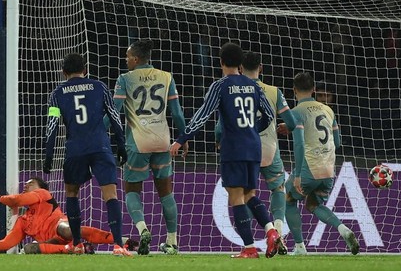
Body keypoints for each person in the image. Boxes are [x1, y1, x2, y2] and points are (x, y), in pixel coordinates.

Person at [170, 42, 281, 259]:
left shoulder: (220, 86)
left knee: (236, 196)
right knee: (250, 194)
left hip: (234, 147)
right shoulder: (254, 86)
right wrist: (252, 129)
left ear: (220, 62)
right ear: (240, 64)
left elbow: (202, 116)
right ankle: (271, 230)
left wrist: (181, 139)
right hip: (253, 146)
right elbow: (269, 115)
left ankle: (249, 248)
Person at [104, 39, 188, 255]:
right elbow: (177, 113)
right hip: (162, 141)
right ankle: (172, 242)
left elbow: (115, 110)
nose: (125, 60)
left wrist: (99, 131)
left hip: (137, 142)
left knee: (132, 190)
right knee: (166, 192)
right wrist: (184, 137)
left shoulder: (125, 79)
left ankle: (143, 230)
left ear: (136, 58)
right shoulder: (166, 76)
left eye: (127, 57)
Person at [42, 53, 131, 256]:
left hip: (75, 150)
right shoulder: (99, 87)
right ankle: (118, 245)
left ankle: (77, 243)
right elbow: (115, 117)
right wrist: (121, 146)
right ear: (85, 70)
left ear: (64, 73)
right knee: (110, 194)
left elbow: (52, 126)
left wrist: (48, 156)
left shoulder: (57, 93)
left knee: (72, 193)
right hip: (100, 147)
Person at [215, 51, 299, 255]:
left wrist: (220, 142)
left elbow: (220, 126)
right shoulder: (273, 91)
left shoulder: (231, 87)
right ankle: (276, 230)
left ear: (241, 68)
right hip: (268, 149)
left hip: (240, 146)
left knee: (239, 195)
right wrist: (284, 128)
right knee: (277, 189)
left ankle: (251, 243)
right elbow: (291, 123)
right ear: (261, 68)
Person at [281, 72, 359, 255]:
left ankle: (300, 246)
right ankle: (343, 229)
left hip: (309, 167)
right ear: (314, 89)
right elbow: (338, 143)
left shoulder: (295, 112)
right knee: (313, 205)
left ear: (294, 91)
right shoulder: (328, 110)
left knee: (288, 201)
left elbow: (299, 144)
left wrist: (298, 175)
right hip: (328, 169)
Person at [0, 177, 139, 254]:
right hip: (52, 243)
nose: (26, 186)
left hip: (60, 228)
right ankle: (76, 249)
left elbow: (16, 200)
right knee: (30, 249)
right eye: (25, 185)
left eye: (30, 183)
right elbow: (7, 243)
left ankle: (124, 241)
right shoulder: (23, 221)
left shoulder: (44, 195)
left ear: (41, 187)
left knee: (67, 230)